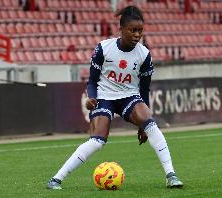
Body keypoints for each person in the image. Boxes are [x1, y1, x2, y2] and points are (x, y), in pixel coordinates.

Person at [47, 5, 183, 190]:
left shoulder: (144, 55)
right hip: (104, 96)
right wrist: (91, 98)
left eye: (140, 31)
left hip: (129, 96)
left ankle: (171, 175)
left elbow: (144, 90)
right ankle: (56, 179)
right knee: (97, 140)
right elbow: (92, 81)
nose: (137, 35)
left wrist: (143, 123)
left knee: (151, 123)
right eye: (132, 30)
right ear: (121, 29)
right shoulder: (103, 48)